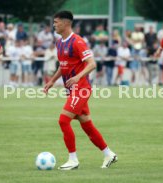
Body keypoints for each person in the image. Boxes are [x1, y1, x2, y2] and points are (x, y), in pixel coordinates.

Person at [44, 11, 117, 170]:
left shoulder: (78, 42)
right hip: (72, 90)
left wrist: (78, 77)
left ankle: (73, 160)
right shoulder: (59, 42)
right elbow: (63, 66)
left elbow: (92, 64)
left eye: (56, 22)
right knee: (87, 126)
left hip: (81, 89)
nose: (54, 25)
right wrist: (51, 81)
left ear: (65, 23)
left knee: (63, 121)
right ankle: (109, 154)